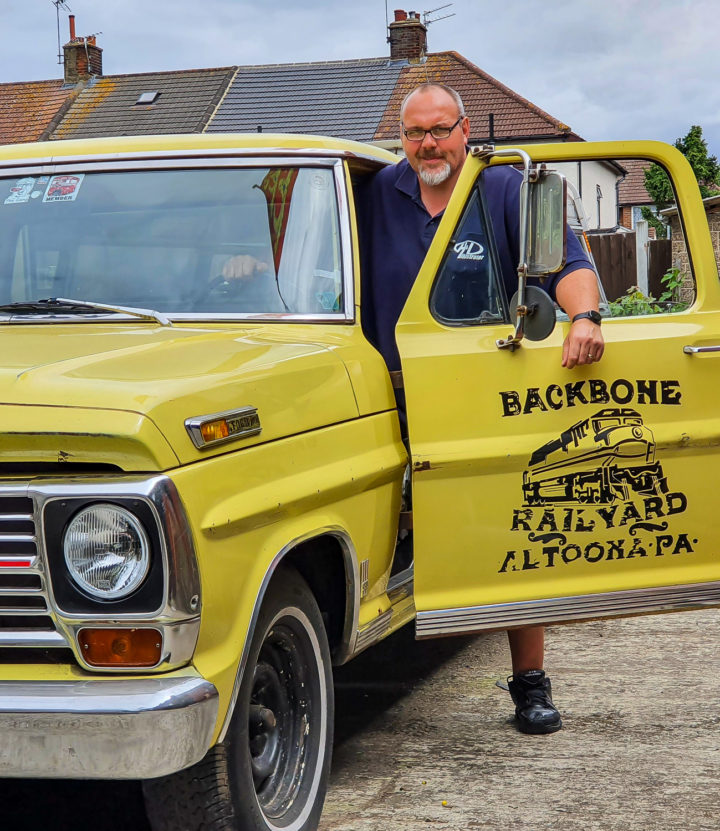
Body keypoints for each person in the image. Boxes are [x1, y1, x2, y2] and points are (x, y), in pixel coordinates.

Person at [358, 83, 605, 735]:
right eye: (415, 133)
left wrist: (584, 315)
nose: (428, 145)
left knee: (512, 529)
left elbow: (570, 262)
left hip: (487, 386)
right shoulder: (376, 192)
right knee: (391, 517)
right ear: (401, 137)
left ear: (466, 129)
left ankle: (531, 683)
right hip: (391, 387)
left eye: (440, 130)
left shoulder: (508, 188)